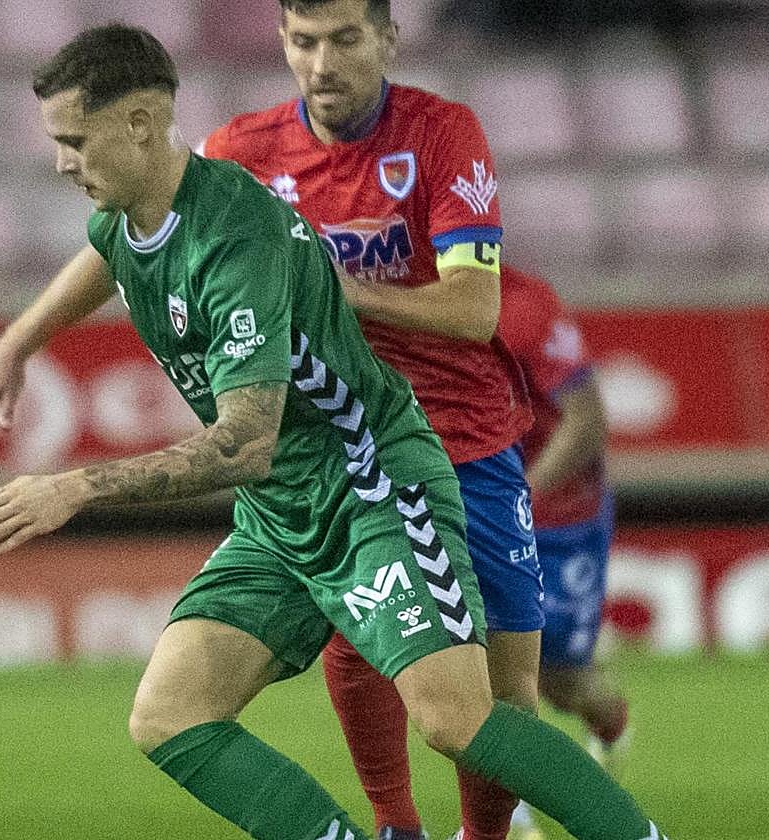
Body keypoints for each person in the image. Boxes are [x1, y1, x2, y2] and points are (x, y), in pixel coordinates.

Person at [0, 23, 669, 840]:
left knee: (457, 718)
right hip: (281, 511)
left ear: (142, 123)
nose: (61, 163)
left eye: (74, 142)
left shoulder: (237, 232)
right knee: (169, 713)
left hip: (371, 485)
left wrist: (78, 486)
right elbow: (109, 256)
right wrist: (16, 343)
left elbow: (241, 444)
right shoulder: (126, 220)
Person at [201, 2, 541, 838]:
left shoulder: (440, 131)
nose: (321, 62)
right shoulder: (238, 153)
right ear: (282, 44)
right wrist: (22, 341)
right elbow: (144, 240)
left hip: (465, 441)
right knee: (358, 650)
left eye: (344, 40)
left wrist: (323, 284)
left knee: (505, 697)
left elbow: (473, 310)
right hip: (350, 449)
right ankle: (395, 827)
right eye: (303, 42)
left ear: (387, 39)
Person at [495, 268, 631, 840]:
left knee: (562, 684)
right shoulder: (406, 301)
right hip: (484, 511)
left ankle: (613, 724)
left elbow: (587, 421)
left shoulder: (523, 303)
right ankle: (512, 819)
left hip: (560, 519)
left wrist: (518, 495)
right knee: (484, 669)